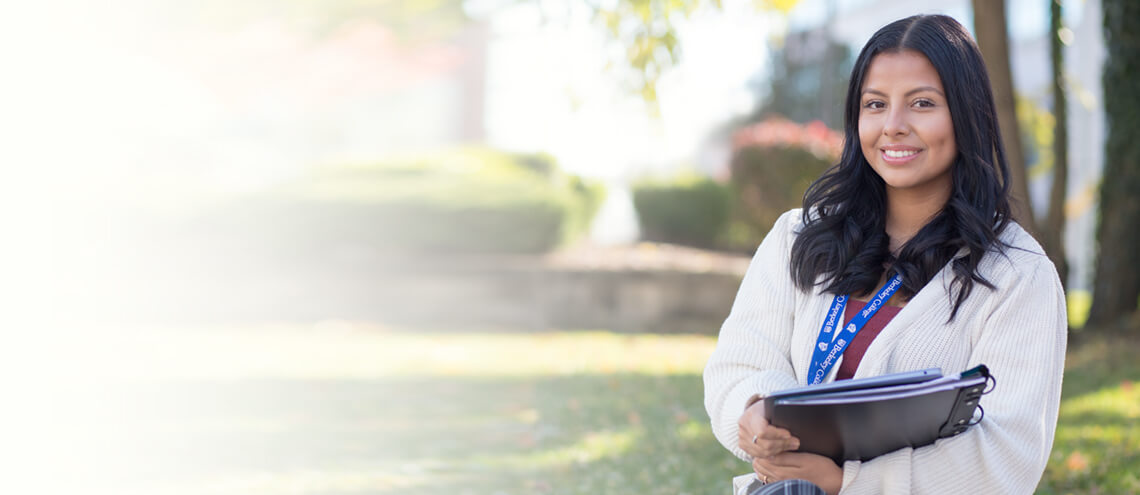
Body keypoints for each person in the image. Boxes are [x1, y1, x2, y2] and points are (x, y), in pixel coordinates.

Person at [703, 14, 1067, 495]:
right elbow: (739, 362)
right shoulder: (799, 235)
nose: (893, 126)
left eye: (922, 103)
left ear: (967, 113)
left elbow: (1006, 455)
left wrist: (846, 482)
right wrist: (754, 412)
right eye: (875, 104)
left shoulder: (1017, 274)